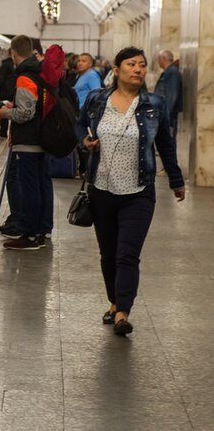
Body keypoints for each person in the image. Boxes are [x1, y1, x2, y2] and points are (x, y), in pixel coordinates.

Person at [77, 46, 186, 336]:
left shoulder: (154, 104)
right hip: (102, 189)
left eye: (141, 65)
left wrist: (176, 180)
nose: (137, 69)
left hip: (139, 191)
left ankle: (123, 311)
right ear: (116, 70)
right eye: (131, 64)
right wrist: (85, 143)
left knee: (127, 254)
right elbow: (80, 128)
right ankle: (114, 302)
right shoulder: (96, 100)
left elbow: (165, 144)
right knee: (108, 253)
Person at [0, 35, 53, 250]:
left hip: (28, 141)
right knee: (41, 185)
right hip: (42, 139)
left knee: (29, 188)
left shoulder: (25, 77)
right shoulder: (41, 73)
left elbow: (25, 113)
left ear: (13, 53)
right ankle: (43, 228)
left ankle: (29, 234)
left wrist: (6, 112)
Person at [74, 52, 102, 177]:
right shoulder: (81, 76)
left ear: (90, 63)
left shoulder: (91, 75)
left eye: (84, 61)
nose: (80, 63)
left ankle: (86, 170)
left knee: (86, 141)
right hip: (79, 112)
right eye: (79, 60)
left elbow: (96, 93)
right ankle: (82, 169)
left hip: (85, 113)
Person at [154, 49, 182, 140]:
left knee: (169, 141)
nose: (158, 61)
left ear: (163, 58)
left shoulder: (172, 72)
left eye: (159, 59)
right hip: (165, 114)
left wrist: (166, 114)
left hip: (169, 116)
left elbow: (172, 95)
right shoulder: (168, 72)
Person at [0, 48, 16, 139]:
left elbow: (1, 79)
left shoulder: (6, 64)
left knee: (3, 113)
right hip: (15, 93)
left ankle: (3, 133)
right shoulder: (18, 65)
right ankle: (12, 134)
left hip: (6, 94)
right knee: (14, 113)